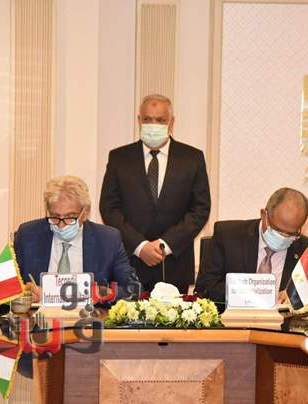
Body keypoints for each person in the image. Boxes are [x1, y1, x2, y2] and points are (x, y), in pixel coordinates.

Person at [99, 94, 211, 294]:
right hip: (129, 264)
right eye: (147, 119)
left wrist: (165, 245)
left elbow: (200, 209)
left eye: (160, 120)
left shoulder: (192, 158)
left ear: (171, 122)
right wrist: (140, 246)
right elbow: (109, 208)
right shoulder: (119, 158)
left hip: (174, 264)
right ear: (139, 120)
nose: (153, 125)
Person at [195, 188, 308, 338]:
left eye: (291, 234)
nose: (283, 238)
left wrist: (295, 300)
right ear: (264, 215)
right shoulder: (228, 235)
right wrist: (260, 294)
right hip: (230, 333)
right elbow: (205, 288)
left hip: (282, 339)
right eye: (277, 230)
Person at [14, 175, 139, 304]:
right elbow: (5, 289)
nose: (61, 225)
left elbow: (133, 290)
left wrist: (101, 293)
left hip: (89, 315)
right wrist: (25, 294)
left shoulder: (108, 239)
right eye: (55, 216)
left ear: (85, 212)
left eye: (70, 217)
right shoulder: (28, 235)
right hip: (39, 315)